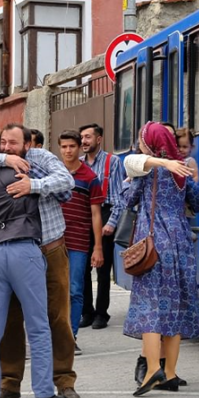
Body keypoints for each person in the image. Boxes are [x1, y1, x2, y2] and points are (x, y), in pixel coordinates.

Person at [0, 124, 79, 398]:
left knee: (57, 317)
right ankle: (10, 383)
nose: (6, 147)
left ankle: (63, 380)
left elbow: (67, 182)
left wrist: (33, 185)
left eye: (12, 143)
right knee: (11, 320)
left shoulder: (41, 159)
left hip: (48, 247)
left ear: (28, 143)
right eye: (2, 142)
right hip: (21, 251)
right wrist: (5, 159)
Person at [123, 122, 199, 396]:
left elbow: (127, 199)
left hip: (154, 244)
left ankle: (151, 370)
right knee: (175, 308)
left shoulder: (148, 171)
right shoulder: (181, 170)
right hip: (181, 243)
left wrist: (130, 183)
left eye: (142, 139)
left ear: (150, 143)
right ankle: (170, 373)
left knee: (149, 307)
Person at [57, 130, 104, 354]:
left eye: (72, 146)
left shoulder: (90, 177)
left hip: (78, 242)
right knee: (53, 290)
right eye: (64, 147)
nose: (68, 151)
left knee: (75, 290)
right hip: (52, 241)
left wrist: (98, 247)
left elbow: (96, 214)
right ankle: (52, 335)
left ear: (79, 148)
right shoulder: (53, 173)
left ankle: (70, 337)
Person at [78, 123, 126, 330]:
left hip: (105, 213)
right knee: (82, 268)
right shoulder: (79, 163)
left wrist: (112, 223)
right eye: (82, 137)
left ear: (99, 139)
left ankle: (101, 313)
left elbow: (119, 196)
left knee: (103, 269)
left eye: (88, 137)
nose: (83, 141)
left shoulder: (112, 162)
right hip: (82, 216)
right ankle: (86, 312)